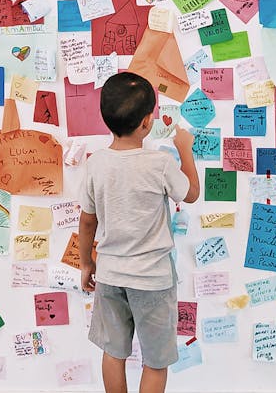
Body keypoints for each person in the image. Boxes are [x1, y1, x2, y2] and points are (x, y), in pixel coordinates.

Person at [79, 72, 200, 393]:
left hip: (111, 275)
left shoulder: (95, 164)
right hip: (153, 281)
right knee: (155, 361)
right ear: (147, 122)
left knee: (113, 352)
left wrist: (86, 263)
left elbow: (87, 222)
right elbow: (190, 193)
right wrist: (185, 148)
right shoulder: (158, 163)